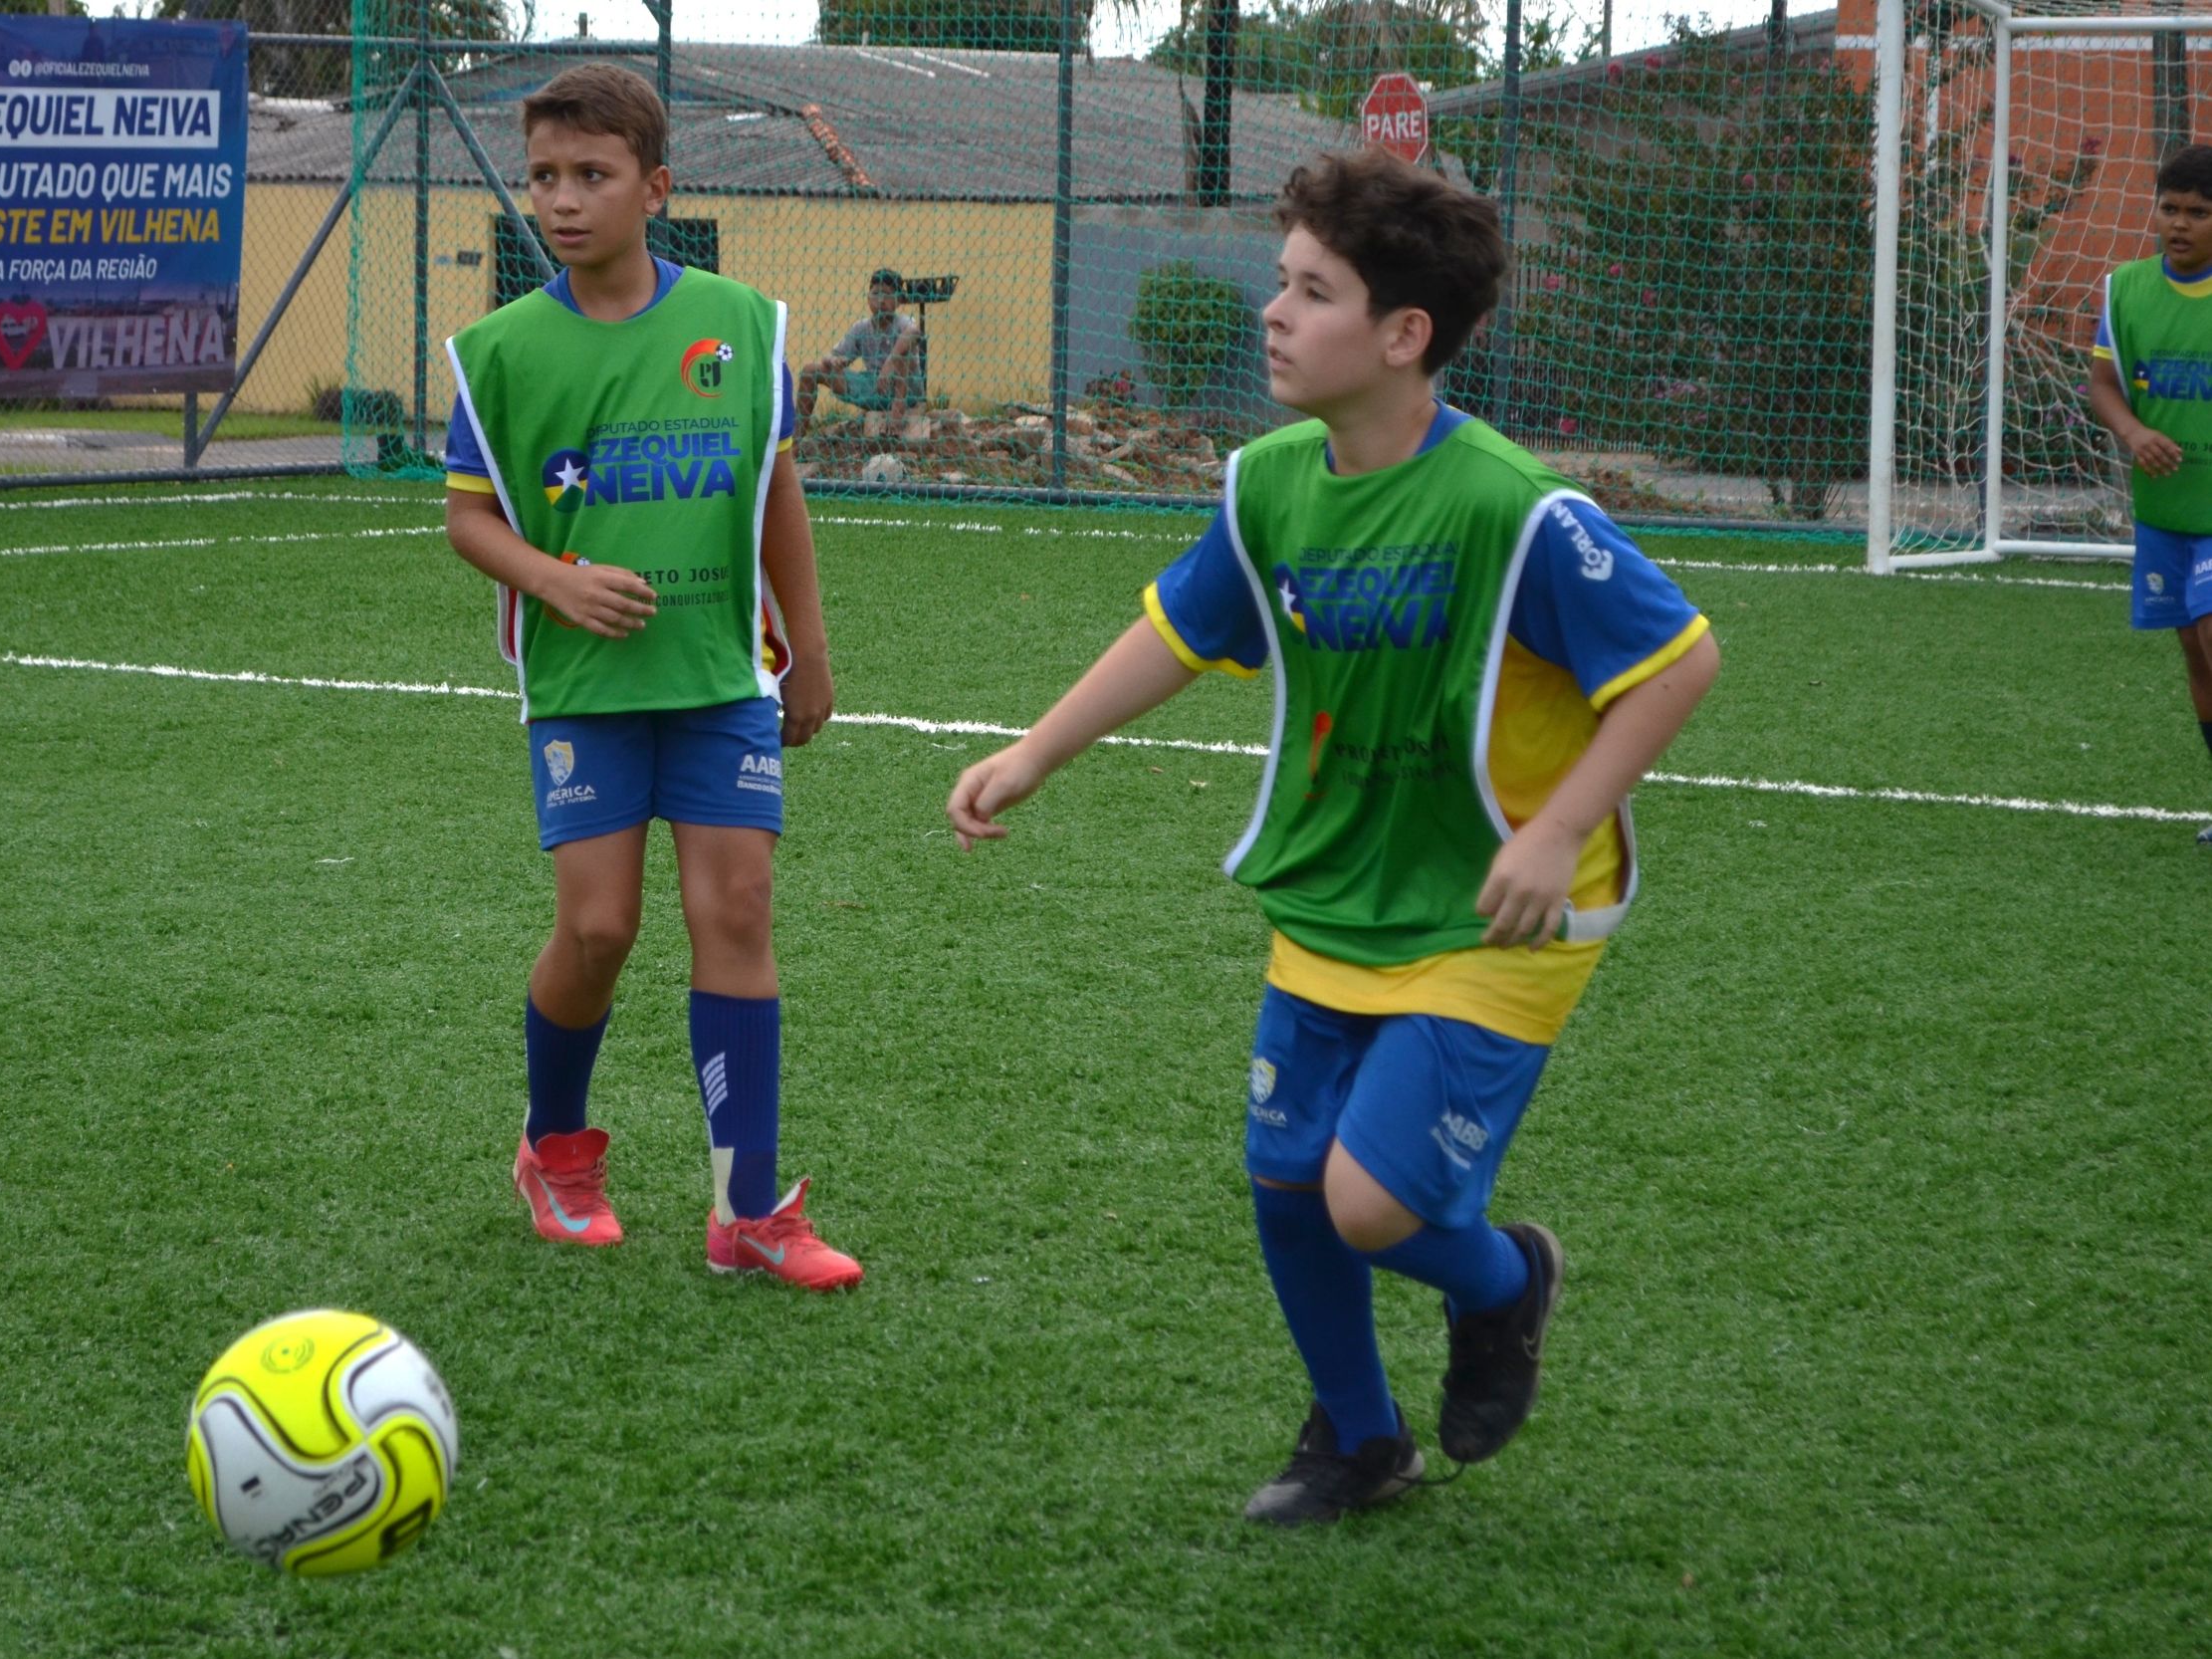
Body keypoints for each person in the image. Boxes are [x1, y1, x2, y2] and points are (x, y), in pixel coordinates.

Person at [946, 148, 1718, 1524]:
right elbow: (1183, 629)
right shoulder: (1270, 487)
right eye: (1279, 282)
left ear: (1404, 335)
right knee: (1288, 1179)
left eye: (1312, 290)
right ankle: (1361, 1441)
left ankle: (1506, 1279)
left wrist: (1559, 831)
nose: (1274, 313)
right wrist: (1036, 750)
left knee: (1370, 1200)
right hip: (1338, 887)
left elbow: (1676, 664)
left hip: (1496, 912)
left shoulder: (1514, 509)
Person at [440, 64, 860, 1291]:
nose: (562, 202)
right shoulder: (502, 352)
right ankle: (555, 1151)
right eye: (545, 178)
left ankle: (747, 1209)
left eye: (591, 175)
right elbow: (469, 522)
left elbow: (775, 492)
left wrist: (809, 648)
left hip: (720, 674)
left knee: (735, 910)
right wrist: (555, 581)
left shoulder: (741, 326)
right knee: (600, 925)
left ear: (655, 187)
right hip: (583, 690)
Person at [2088, 142, 2212, 846]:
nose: (2180, 223)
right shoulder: (2126, 288)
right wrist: (2134, 433)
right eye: (2170, 208)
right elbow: (2103, 383)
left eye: (2199, 212)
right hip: (2166, 510)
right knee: (2195, 650)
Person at [794, 268, 923, 432]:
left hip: (906, 391)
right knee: (810, 370)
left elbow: (914, 332)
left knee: (902, 354)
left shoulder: (903, 322)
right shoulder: (861, 328)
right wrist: (833, 361)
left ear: (898, 300)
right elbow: (833, 355)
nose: (881, 300)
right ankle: (797, 437)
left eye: (887, 294)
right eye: (876, 293)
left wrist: (891, 361)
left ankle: (895, 421)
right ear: (868, 298)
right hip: (873, 387)